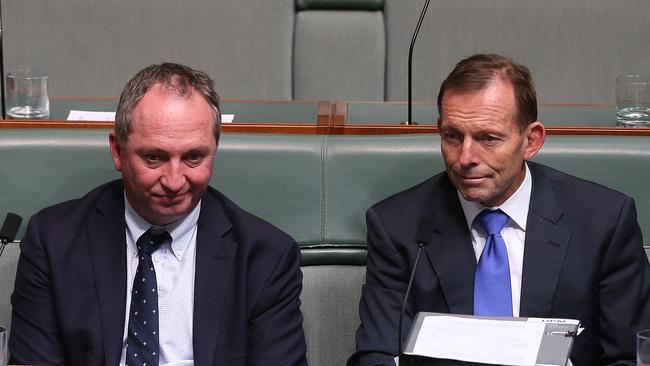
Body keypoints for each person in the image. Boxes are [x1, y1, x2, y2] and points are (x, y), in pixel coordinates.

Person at [348, 54, 650, 366]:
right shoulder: (398, 225)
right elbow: (376, 355)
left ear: (531, 141)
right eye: (452, 136)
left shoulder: (603, 221)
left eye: (488, 138)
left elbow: (633, 356)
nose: (465, 157)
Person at [9, 63, 308, 366]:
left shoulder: (265, 256)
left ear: (214, 150)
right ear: (117, 151)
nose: (175, 181)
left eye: (194, 157)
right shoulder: (54, 241)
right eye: (154, 157)